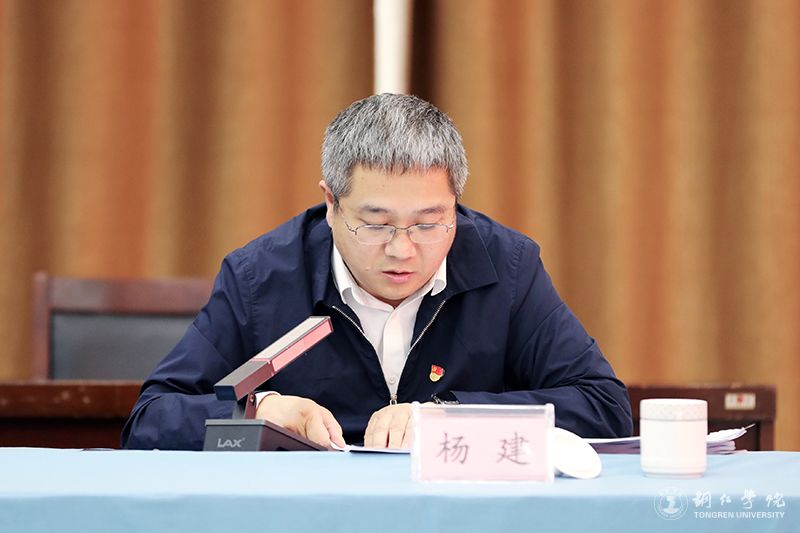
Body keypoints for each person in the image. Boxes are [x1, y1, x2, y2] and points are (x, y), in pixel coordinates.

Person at [122, 93, 632, 450]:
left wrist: (448, 416)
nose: (403, 251)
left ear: (455, 203)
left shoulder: (507, 267)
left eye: (429, 223)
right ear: (331, 203)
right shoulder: (261, 277)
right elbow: (151, 419)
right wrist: (260, 411)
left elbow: (603, 407)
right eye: (376, 224)